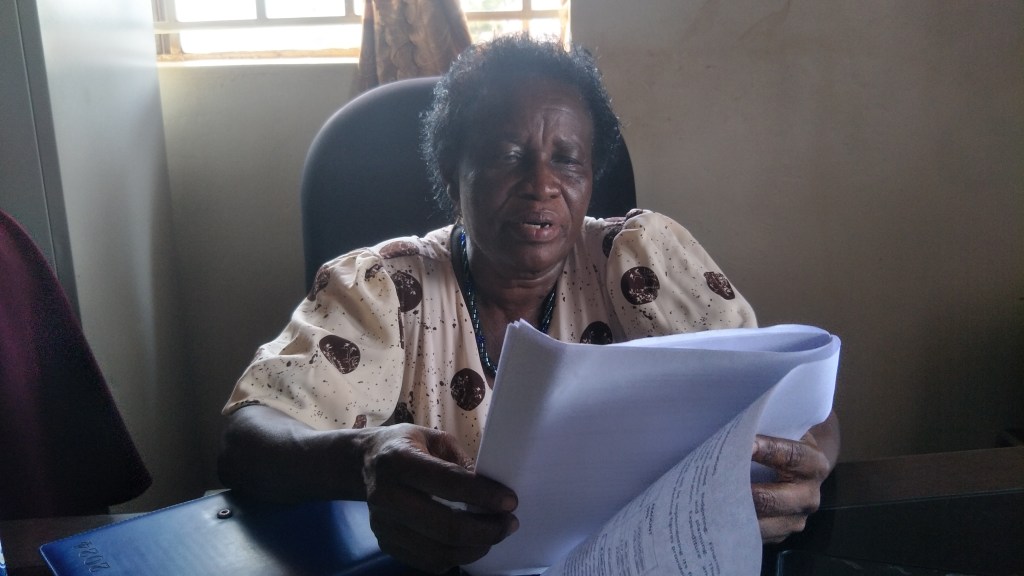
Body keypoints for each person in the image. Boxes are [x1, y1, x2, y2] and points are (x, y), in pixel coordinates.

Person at [218, 33, 840, 574]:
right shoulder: (386, 288)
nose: (541, 184)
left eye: (566, 161)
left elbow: (799, 403)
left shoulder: (640, 263)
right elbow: (250, 438)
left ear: (591, 179)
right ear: (453, 174)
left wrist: (806, 466)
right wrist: (363, 461)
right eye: (507, 156)